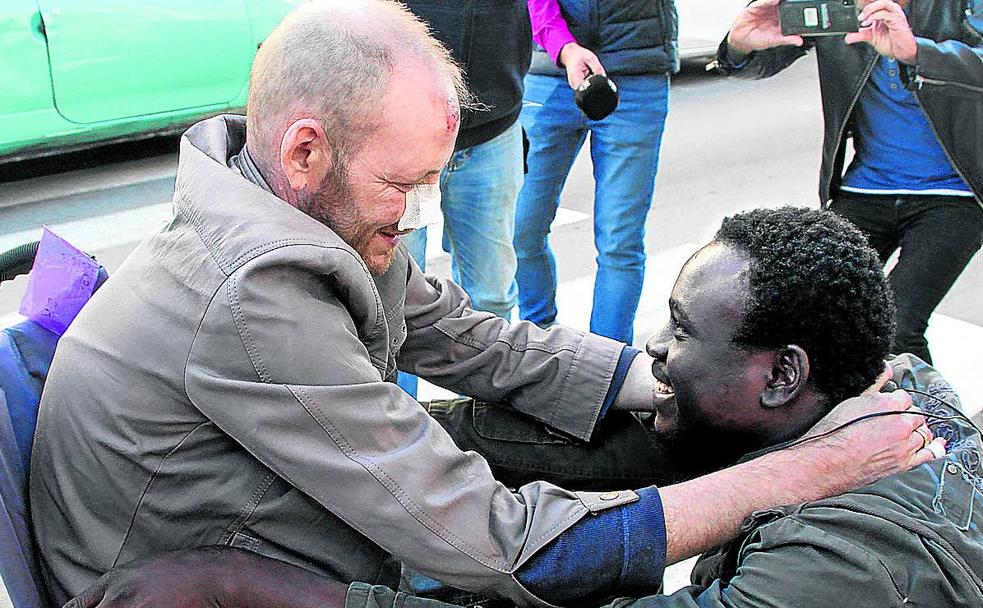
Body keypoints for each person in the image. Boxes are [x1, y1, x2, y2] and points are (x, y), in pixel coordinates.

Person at [29, 2, 931, 606]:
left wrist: (672, 380)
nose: (421, 214)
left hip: (254, 523)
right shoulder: (253, 294)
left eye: (432, 182)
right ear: (305, 151)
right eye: (403, 185)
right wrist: (805, 470)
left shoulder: (298, 210)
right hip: (181, 585)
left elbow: (478, 343)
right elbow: (497, 544)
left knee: (551, 442)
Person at [66, 208, 978, 608]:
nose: (655, 353)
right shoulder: (859, 381)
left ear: (780, 376)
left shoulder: (846, 563)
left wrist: (247, 587)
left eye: (679, 332)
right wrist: (403, 454)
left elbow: (506, 544)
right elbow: (514, 375)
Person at [717, 0, 983, 363]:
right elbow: (756, 60)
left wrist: (918, 52)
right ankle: (840, 416)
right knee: (809, 316)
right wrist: (741, 45)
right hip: (865, 187)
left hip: (957, 191)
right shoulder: (835, 10)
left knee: (897, 328)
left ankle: (930, 418)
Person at [513, 0, 678, 345]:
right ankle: (537, 348)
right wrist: (563, 46)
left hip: (635, 72)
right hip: (549, 73)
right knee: (521, 229)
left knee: (620, 241)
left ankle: (607, 368)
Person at [394, 0, 530, 397]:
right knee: (393, 302)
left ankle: (490, 423)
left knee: (492, 294)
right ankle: (393, 431)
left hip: (492, 130)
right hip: (404, 138)